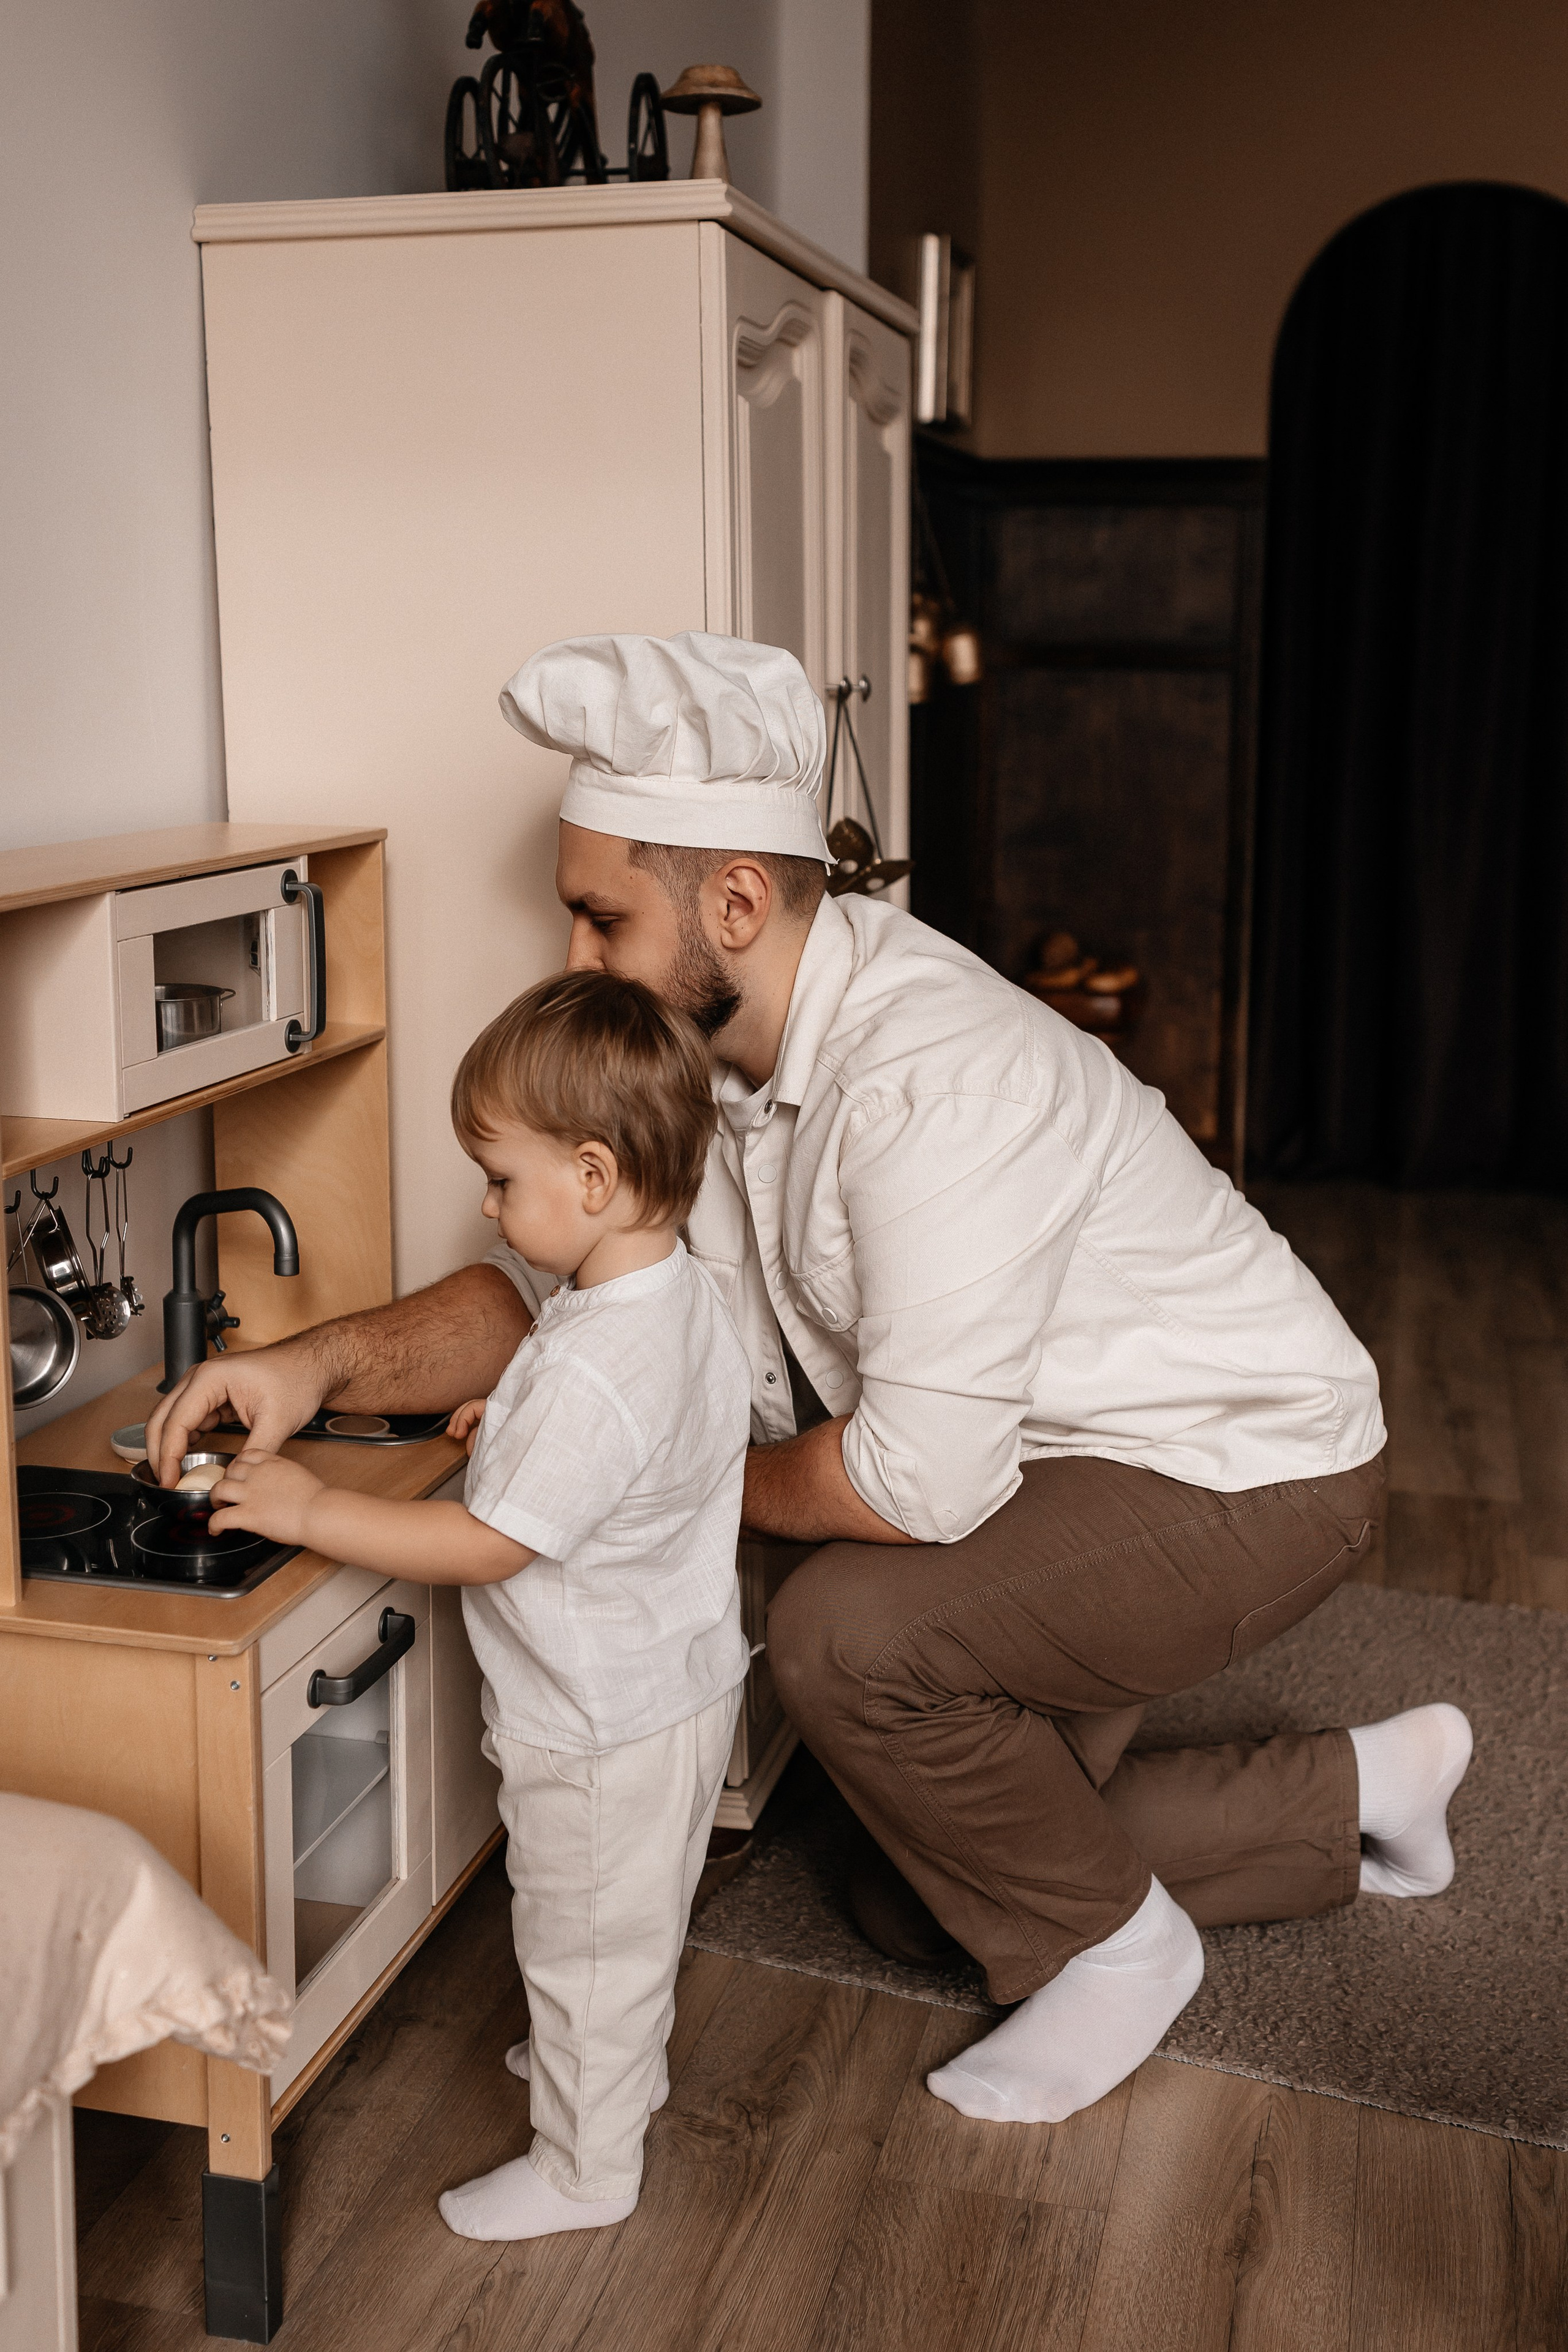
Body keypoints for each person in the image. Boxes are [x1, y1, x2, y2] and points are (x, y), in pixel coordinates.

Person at [151, 630, 1474, 2133]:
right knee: (922, 1897)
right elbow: (549, 1299)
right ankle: (1364, 1786)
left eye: (598, 921)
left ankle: (1124, 1951)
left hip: (1251, 1472)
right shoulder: (695, 1062)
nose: (572, 964)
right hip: (1040, 1465)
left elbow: (912, 1482)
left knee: (844, 1639)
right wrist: (305, 1364)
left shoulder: (929, 1077)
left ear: (731, 902)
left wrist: (642, 1472)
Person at [206, 968, 751, 2237]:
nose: (490, 1206)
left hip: (600, 1723)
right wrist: (509, 1414)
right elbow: (626, 1446)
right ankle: (611, 2067)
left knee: (583, 1944)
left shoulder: (595, 1370)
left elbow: (487, 1542)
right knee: (625, 1928)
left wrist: (308, 1510)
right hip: (669, 1688)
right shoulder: (665, 1300)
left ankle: (585, 2165)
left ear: (596, 1178)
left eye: (504, 1181)